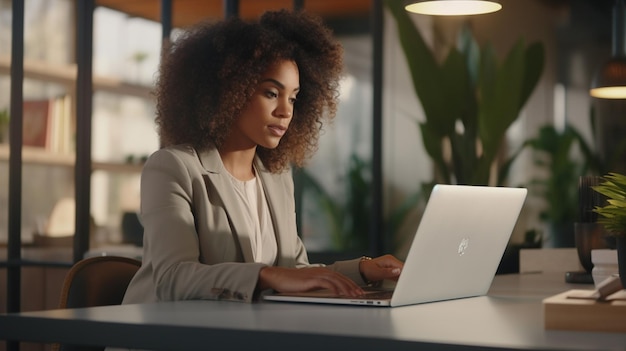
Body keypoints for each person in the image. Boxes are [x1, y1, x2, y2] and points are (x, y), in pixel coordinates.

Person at [122, 9, 403, 305]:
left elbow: (294, 272)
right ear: (230, 90)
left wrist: (362, 270)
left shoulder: (276, 176)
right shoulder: (173, 168)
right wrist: (267, 275)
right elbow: (174, 278)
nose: (286, 110)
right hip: (162, 337)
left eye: (293, 97)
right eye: (271, 93)